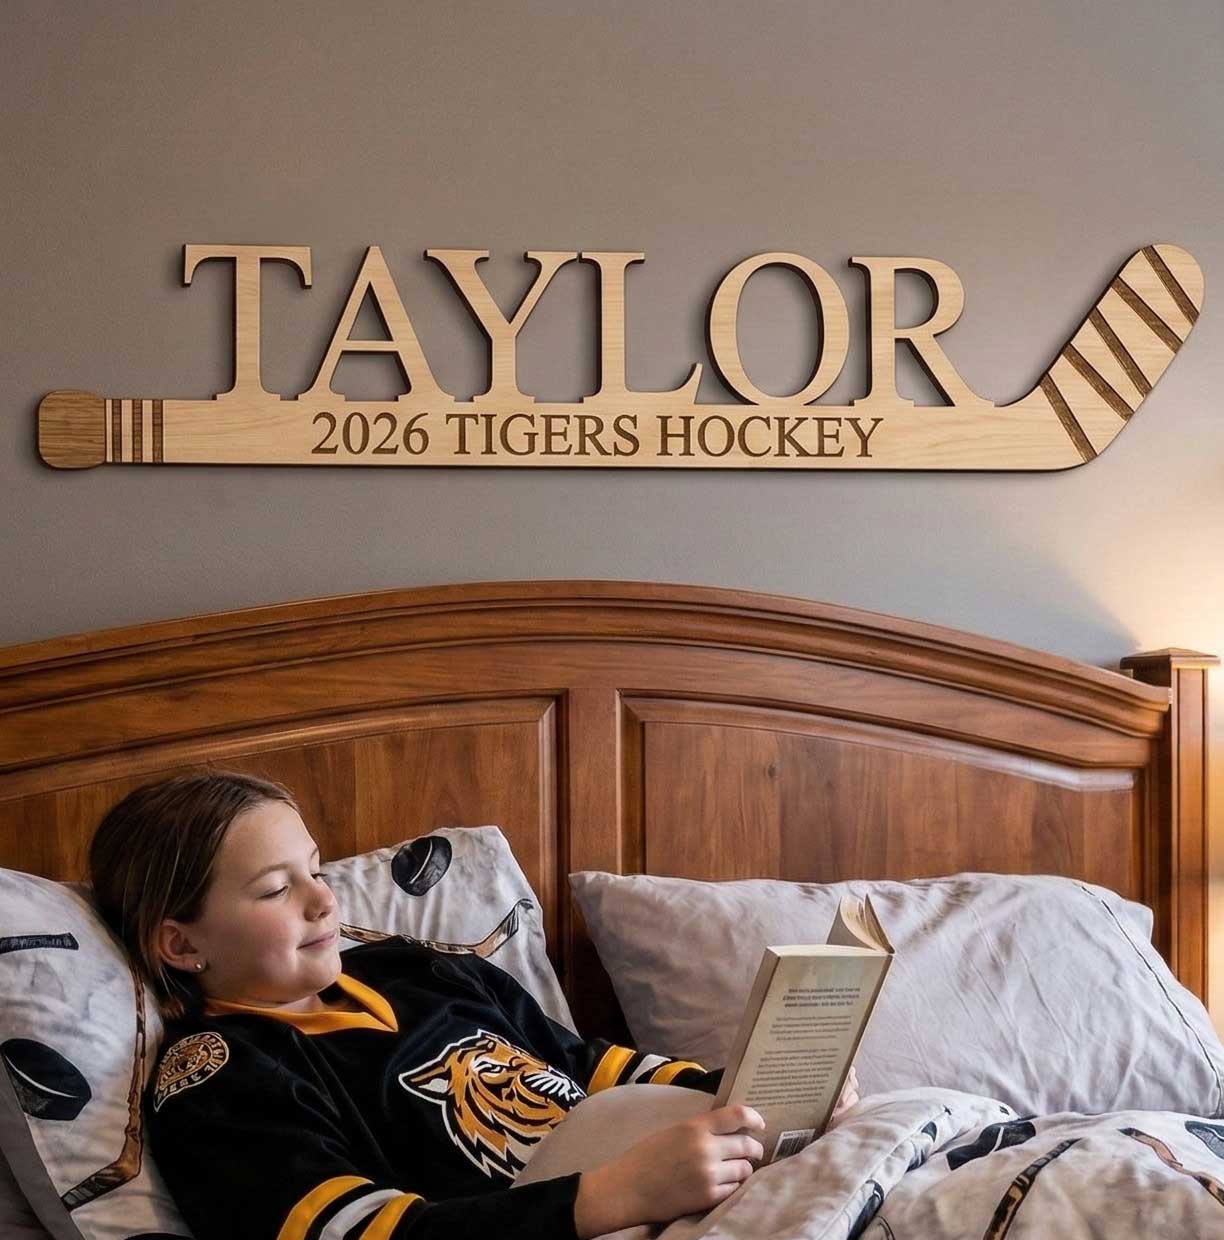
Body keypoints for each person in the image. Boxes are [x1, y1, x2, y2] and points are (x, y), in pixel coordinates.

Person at [89, 770, 860, 1240]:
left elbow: (589, 1066)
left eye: (316, 870)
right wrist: (613, 1194)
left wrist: (759, 1088)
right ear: (183, 946)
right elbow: (365, 1233)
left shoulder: (416, 967)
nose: (323, 901)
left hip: (676, 1177)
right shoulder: (218, 1076)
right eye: (275, 888)